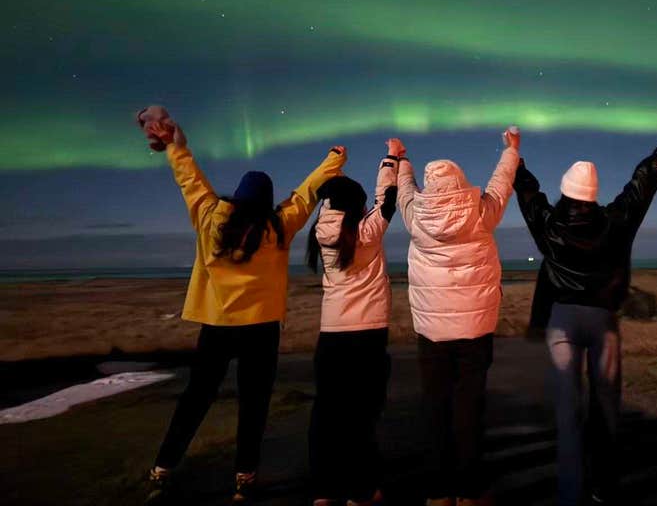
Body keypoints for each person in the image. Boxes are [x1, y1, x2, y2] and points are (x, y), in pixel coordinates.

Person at [141, 116, 347, 504]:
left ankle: (163, 467)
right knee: (254, 403)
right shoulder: (279, 227)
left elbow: (190, 179)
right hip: (262, 329)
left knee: (196, 398)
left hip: (217, 325)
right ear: (268, 202)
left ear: (236, 197)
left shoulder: (209, 216)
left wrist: (173, 145)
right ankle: (244, 479)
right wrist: (334, 159)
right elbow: (306, 194)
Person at [513, 122, 657, 506]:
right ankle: (604, 489)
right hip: (603, 322)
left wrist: (516, 158)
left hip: (562, 321)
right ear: (593, 195)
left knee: (567, 409)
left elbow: (528, 194)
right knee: (606, 405)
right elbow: (639, 190)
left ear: (565, 191)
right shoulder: (616, 221)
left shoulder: (548, 224)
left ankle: (570, 493)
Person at [397, 127, 522, 506]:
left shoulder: (415, 217)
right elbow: (501, 184)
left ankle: (438, 491)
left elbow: (404, 190)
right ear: (461, 180)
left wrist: (402, 160)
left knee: (435, 406)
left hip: (431, 331)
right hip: (475, 328)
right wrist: (511, 150)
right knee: (469, 406)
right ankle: (468, 490)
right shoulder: (482, 212)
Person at [305, 138, 404, 506]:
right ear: (357, 206)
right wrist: (391, 157)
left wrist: (335, 170)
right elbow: (387, 200)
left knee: (327, 413)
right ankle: (362, 491)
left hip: (331, 335)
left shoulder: (320, 233)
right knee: (362, 414)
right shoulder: (367, 231)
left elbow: (349, 199)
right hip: (368, 333)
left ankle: (323, 490)